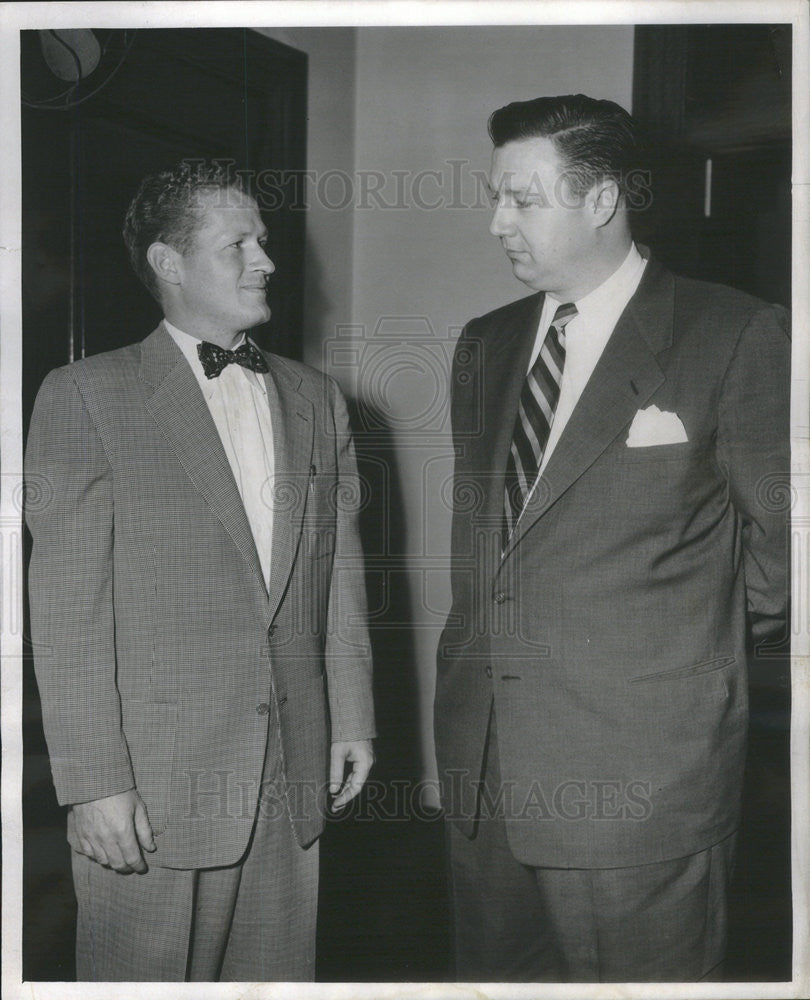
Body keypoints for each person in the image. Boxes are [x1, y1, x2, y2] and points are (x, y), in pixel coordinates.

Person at [434, 94, 789, 983]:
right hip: (487, 773)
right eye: (494, 197)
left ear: (601, 201)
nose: (496, 223)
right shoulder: (483, 345)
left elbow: (787, 549)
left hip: (641, 781)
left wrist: (677, 643)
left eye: (521, 198)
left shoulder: (735, 332)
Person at [25, 160, 375, 982]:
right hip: (151, 786)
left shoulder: (316, 399)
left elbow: (338, 572)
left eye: (266, 240)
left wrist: (351, 712)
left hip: (292, 767)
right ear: (168, 263)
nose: (267, 261)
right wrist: (93, 783)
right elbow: (68, 609)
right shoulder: (85, 394)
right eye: (239, 245)